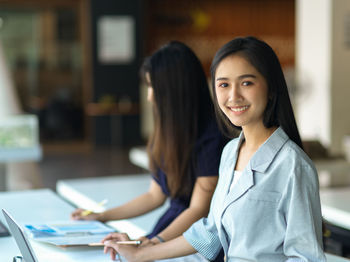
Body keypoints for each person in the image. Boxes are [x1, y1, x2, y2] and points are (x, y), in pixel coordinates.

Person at [102, 36, 326, 262]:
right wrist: (141, 253)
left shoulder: (294, 166)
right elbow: (211, 232)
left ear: (270, 88)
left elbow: (307, 257)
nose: (233, 96)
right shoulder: (230, 152)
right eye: (224, 84)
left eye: (247, 83)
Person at [71, 41, 227, 260]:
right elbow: (154, 195)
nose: (149, 96)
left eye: (153, 87)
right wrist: (102, 216)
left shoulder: (212, 138)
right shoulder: (168, 133)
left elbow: (198, 210)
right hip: (170, 231)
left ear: (174, 91)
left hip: (194, 241)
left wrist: (153, 243)